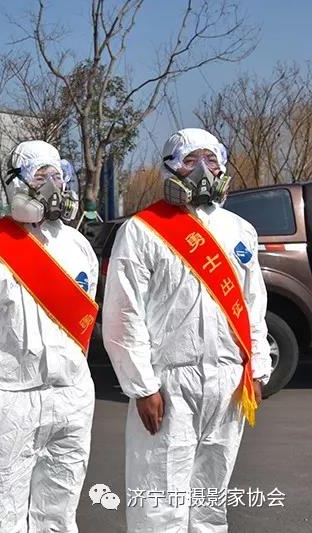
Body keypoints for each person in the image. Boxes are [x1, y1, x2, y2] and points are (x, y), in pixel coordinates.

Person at [102, 128, 272, 532]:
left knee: (211, 495)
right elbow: (124, 314)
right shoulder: (142, 230)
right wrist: (142, 386)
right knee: (160, 498)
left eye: (211, 160)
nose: (202, 170)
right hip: (169, 382)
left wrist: (257, 367)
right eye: (190, 160)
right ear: (170, 168)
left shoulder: (240, 230)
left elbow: (253, 306)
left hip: (228, 380)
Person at [0, 140, 96, 533]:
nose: (53, 184)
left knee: (59, 511)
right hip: (8, 399)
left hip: (70, 395)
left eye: (58, 175)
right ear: (17, 183)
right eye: (40, 175)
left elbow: (82, 325)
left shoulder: (78, 246)